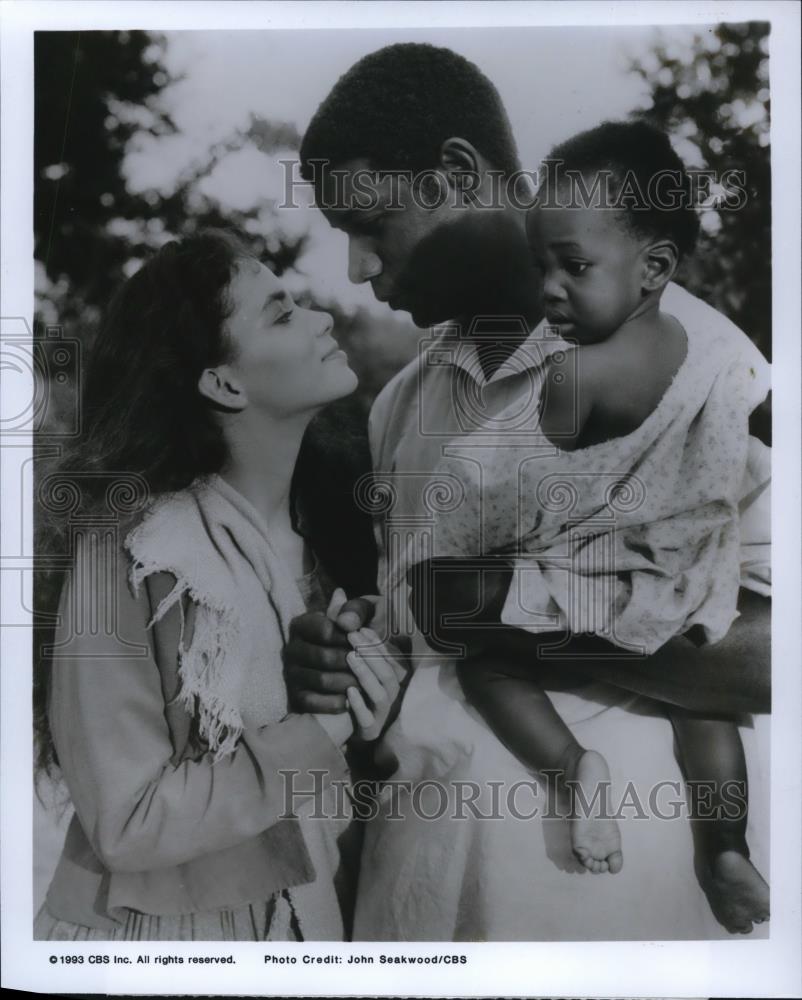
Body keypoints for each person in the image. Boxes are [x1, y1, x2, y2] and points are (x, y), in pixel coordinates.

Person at [287, 42, 771, 940]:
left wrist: (510, 610)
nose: (356, 268)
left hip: (599, 915)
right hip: (422, 900)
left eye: (367, 225)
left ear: (456, 175)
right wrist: (347, 654)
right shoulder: (401, 402)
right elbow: (418, 635)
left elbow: (771, 654)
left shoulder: (690, 363)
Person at [424, 120, 770, 927]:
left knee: (478, 647)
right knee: (708, 711)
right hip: (691, 581)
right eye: (540, 264)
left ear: (653, 269)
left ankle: (574, 766)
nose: (549, 289)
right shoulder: (714, 355)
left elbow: (500, 497)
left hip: (591, 578)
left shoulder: (576, 375)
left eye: (573, 267)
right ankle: (725, 844)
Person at [34, 228, 402, 941]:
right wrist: (320, 725)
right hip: (164, 941)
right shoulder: (134, 550)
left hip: (313, 923)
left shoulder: (344, 532)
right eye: (283, 313)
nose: (323, 317)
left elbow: (360, 777)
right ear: (223, 382)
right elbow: (127, 821)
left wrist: (369, 714)